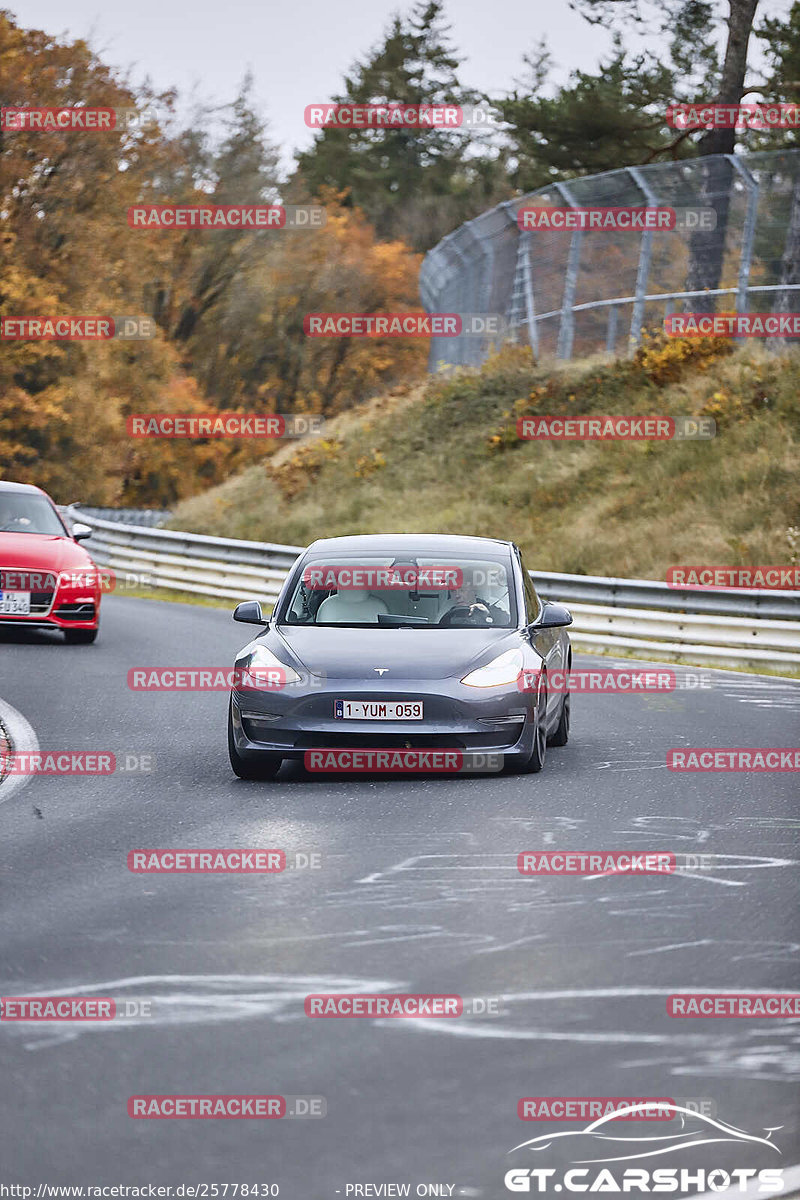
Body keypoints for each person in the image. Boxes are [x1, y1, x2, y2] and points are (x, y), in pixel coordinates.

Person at [438, 579, 509, 626]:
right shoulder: (446, 611)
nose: (457, 595)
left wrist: (488, 614)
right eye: (453, 591)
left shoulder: (489, 608)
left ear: (473, 590)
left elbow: (507, 623)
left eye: (462, 590)